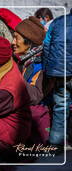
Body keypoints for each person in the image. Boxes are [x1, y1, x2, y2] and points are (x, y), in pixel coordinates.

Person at [13, 16, 50, 144]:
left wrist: (13, 76)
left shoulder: (42, 64)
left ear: (29, 42)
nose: (13, 42)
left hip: (35, 111)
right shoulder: (22, 60)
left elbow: (35, 96)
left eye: (16, 38)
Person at [43, 9, 72, 147]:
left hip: (60, 72)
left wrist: (48, 69)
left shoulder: (58, 21)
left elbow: (47, 45)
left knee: (60, 106)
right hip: (61, 71)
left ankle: (55, 144)